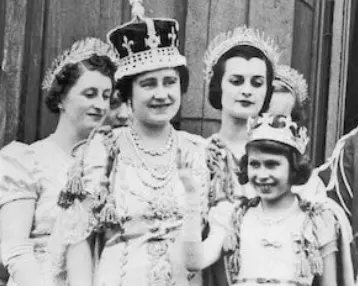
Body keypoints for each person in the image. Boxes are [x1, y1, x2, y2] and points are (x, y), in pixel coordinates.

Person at [50, 2, 209, 286]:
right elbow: (78, 243)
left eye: (169, 82)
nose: (162, 94)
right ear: (127, 94)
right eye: (148, 84)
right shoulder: (103, 150)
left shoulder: (200, 151)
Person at [181, 113, 355, 286]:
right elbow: (193, 262)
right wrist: (191, 196)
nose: (262, 175)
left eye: (272, 164)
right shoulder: (232, 216)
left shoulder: (317, 221)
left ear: (294, 168)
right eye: (255, 164)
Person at [0, 37, 117, 286]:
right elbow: (16, 250)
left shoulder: (111, 163)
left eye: (106, 96)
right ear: (61, 98)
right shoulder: (26, 160)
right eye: (89, 94)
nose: (100, 105)